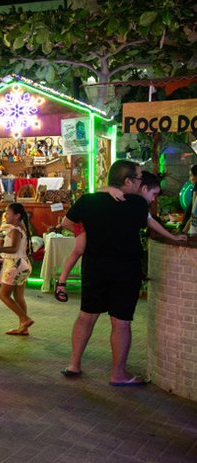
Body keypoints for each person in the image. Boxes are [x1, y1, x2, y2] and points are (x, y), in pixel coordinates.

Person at [59, 160, 151, 385]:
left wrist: (85, 233)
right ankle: (118, 374)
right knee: (120, 322)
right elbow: (147, 224)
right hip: (125, 269)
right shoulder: (137, 204)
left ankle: (74, 364)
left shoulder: (88, 200)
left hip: (95, 265)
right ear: (127, 181)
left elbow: (66, 223)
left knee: (86, 316)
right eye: (138, 179)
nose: (140, 184)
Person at [55, 171, 186, 302]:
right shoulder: (129, 200)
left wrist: (171, 237)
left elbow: (149, 221)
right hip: (93, 244)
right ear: (141, 187)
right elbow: (150, 221)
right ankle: (61, 282)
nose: (153, 199)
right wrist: (83, 231)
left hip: (104, 262)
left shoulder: (135, 203)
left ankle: (61, 282)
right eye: (154, 194)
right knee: (79, 250)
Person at [0, 203, 34, 335]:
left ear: (17, 216)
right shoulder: (20, 227)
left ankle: (25, 319)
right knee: (19, 297)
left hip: (14, 265)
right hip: (23, 264)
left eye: (8, 213)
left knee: (3, 295)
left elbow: (13, 248)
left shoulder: (14, 230)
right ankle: (23, 327)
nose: (5, 215)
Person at [180, 164, 197, 235]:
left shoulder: (196, 190)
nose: (190, 178)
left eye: (191, 175)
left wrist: (184, 231)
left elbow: (194, 212)